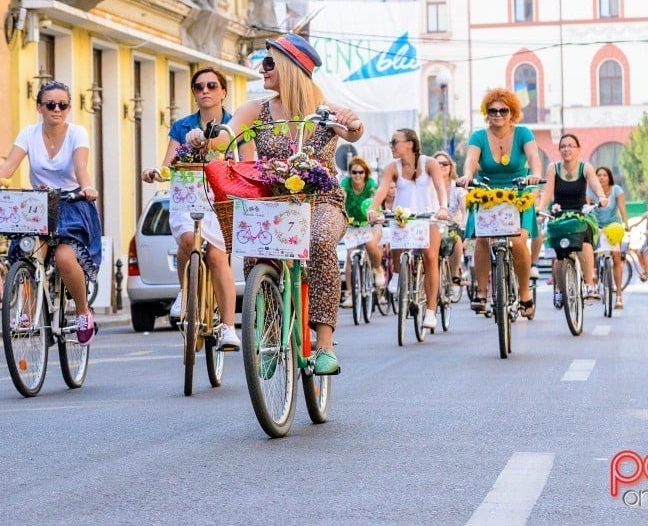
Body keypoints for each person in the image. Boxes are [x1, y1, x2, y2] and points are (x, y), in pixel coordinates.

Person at [186, 33, 363, 375]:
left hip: (320, 200)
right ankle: (267, 333)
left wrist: (353, 123)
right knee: (256, 251)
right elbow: (226, 136)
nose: (262, 70)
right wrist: (203, 136)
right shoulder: (256, 109)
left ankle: (324, 346)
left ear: (291, 67)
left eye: (268, 63)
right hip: (274, 202)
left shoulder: (326, 110)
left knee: (321, 242)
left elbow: (353, 131)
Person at [0, 80, 101, 346]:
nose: (57, 109)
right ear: (39, 107)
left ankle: (82, 312)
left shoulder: (78, 133)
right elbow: (9, 165)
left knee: (66, 258)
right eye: (50, 105)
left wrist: (88, 186)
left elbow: (81, 164)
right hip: (38, 205)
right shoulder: (28, 134)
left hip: (72, 202)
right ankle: (29, 310)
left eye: (63, 105)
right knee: (30, 252)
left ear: (68, 108)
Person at [140, 67, 239, 351]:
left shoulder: (235, 124)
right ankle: (185, 294)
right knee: (186, 240)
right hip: (188, 194)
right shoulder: (182, 125)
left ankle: (229, 328)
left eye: (211, 85)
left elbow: (247, 163)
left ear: (223, 91)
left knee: (219, 257)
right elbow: (169, 164)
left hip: (220, 198)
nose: (205, 90)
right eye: (198, 87)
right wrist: (154, 173)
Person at [456, 87, 542, 317]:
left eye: (503, 110)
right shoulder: (478, 136)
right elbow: (471, 160)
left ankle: (524, 294)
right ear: (486, 112)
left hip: (518, 190)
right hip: (486, 191)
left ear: (512, 112)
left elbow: (534, 156)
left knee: (518, 241)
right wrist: (467, 175)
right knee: (483, 239)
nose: (498, 115)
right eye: (492, 110)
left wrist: (534, 173)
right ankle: (482, 293)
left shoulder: (523, 133)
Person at [366, 129, 450, 330]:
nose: (391, 145)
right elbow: (382, 189)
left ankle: (430, 311)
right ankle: (396, 273)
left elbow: (440, 187)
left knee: (430, 257)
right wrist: (372, 208)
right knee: (397, 237)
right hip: (403, 215)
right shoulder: (391, 168)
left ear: (410, 143)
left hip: (428, 216)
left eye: (394, 141)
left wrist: (443, 208)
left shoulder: (429, 163)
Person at [537, 134, 609, 299]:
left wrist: (602, 197)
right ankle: (560, 291)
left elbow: (595, 184)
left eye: (570, 146)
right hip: (560, 215)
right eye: (563, 146)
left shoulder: (586, 168)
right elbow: (547, 192)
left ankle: (590, 285)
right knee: (560, 254)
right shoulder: (553, 168)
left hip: (581, 214)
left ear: (578, 150)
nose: (566, 149)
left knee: (585, 243)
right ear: (559, 150)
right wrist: (541, 208)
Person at [340, 156, 385, 307]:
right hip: (352, 224)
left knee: (372, 245)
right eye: (354, 172)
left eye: (361, 172)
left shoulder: (371, 185)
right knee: (349, 255)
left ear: (365, 173)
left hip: (371, 222)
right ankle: (351, 294)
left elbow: (375, 199)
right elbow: (341, 197)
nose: (358, 175)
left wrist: (375, 213)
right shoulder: (345, 184)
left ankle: (377, 268)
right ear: (350, 173)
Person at [588, 166, 629, 309]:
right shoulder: (590, 191)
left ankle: (618, 296)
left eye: (604, 175)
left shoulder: (617, 190)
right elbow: (586, 207)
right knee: (590, 251)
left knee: (617, 257)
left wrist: (626, 224)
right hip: (596, 226)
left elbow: (622, 208)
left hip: (613, 227)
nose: (601, 177)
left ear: (609, 177)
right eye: (598, 175)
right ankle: (593, 277)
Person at [433, 150, 467, 286]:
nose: (441, 166)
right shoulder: (428, 185)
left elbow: (465, 206)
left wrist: (465, 220)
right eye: (437, 164)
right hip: (432, 225)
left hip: (453, 225)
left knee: (456, 240)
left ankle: (454, 275)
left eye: (444, 164)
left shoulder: (457, 186)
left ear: (451, 167)